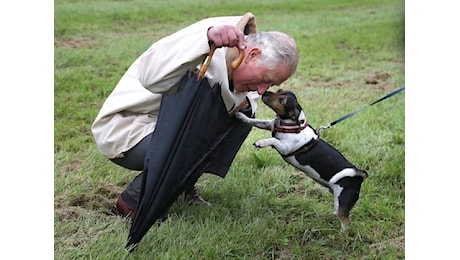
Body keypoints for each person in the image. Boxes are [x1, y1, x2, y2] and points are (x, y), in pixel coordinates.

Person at [91, 12, 299, 219]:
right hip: (127, 127)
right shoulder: (211, 37)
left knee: (240, 120)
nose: (263, 90)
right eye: (266, 79)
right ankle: (132, 201)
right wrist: (206, 39)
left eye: (270, 85)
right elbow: (150, 76)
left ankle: (181, 187)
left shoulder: (242, 53)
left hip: (166, 126)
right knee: (201, 133)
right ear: (252, 55)